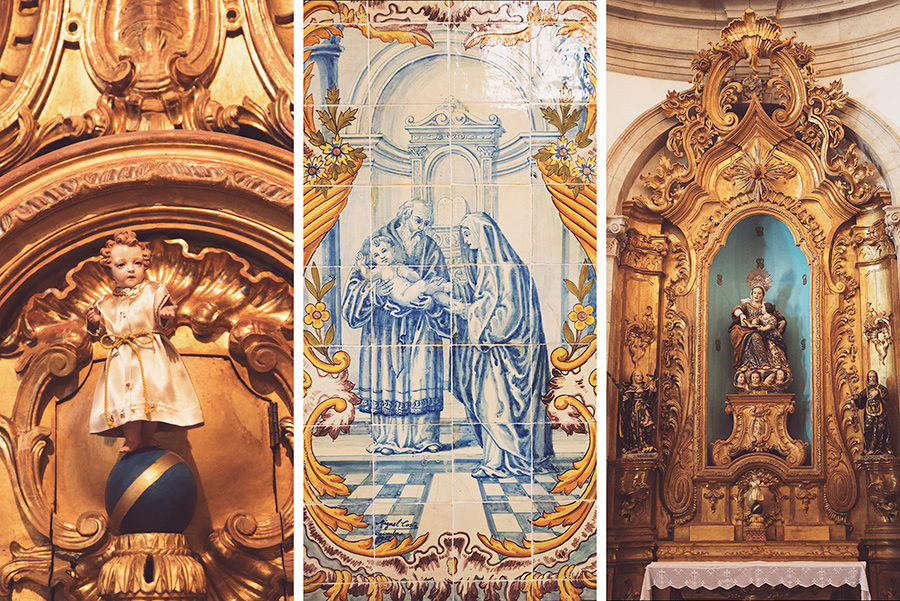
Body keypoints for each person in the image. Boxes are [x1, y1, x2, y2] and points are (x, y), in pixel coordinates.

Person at [450, 212, 554, 478]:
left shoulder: (508, 269)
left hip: (510, 353)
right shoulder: (487, 268)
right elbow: (487, 306)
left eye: (468, 232)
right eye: (462, 233)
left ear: (484, 234)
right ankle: (495, 460)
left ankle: (509, 462)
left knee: (495, 405)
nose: (465, 238)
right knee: (490, 404)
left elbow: (509, 315)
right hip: (495, 354)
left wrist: (467, 312)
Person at [342, 199, 451, 454]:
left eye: (427, 223)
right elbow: (356, 286)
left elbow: (438, 283)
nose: (423, 227)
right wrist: (376, 294)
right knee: (388, 376)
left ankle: (425, 438)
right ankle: (386, 440)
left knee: (421, 374)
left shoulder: (431, 248)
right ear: (404, 215)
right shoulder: (377, 243)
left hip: (421, 329)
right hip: (383, 329)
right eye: (418, 221)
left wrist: (429, 303)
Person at [86, 230, 203, 453]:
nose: (130, 269)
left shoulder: (154, 291)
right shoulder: (105, 302)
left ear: (145, 265)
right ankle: (132, 438)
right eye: (121, 265)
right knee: (126, 400)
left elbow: (162, 318)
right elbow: (98, 333)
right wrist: (94, 322)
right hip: (121, 359)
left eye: (137, 263)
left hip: (150, 353)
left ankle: (149, 435)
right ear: (110, 270)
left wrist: (166, 315)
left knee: (152, 395)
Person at [729, 285, 790, 388]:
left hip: (764, 332)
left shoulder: (765, 307)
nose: (757, 295)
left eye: (759, 293)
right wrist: (741, 315)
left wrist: (783, 321)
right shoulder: (747, 306)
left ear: (763, 295)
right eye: (755, 293)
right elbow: (736, 309)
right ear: (751, 294)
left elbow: (777, 316)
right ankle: (751, 363)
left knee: (760, 336)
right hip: (748, 330)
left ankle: (764, 363)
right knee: (753, 336)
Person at [370, 235, 451, 307]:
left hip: (406, 293)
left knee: (431, 292)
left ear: (393, 249)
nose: (382, 256)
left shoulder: (397, 265)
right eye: (376, 255)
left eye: (384, 251)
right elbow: (369, 277)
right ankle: (444, 287)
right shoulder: (380, 270)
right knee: (424, 286)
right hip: (404, 295)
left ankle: (450, 302)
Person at [852, 370, 893, 455]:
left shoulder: (880, 387)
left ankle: (879, 449)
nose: (872, 379)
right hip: (869, 414)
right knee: (869, 430)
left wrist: (878, 392)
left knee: (880, 429)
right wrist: (856, 398)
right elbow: (861, 401)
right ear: (868, 378)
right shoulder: (866, 390)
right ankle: (869, 448)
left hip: (880, 413)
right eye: (870, 377)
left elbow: (886, 394)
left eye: (873, 376)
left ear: (876, 378)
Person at [619, 370, 656, 454]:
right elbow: (625, 403)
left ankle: (645, 444)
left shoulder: (645, 388)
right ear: (633, 377)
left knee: (648, 425)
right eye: (637, 376)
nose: (639, 378)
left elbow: (650, 399)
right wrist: (624, 400)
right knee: (634, 428)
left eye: (641, 376)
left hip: (644, 409)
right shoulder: (630, 389)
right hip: (634, 411)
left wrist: (652, 391)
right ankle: (635, 446)